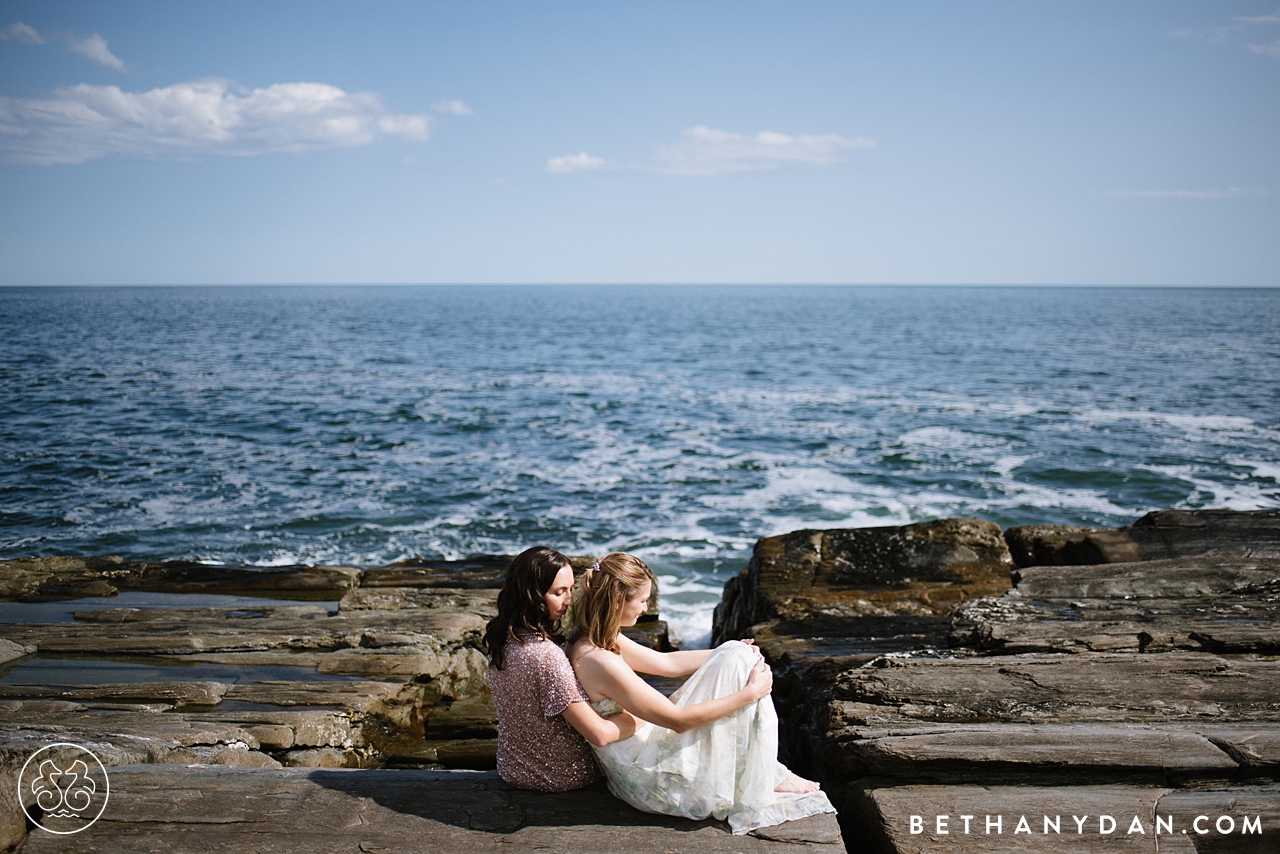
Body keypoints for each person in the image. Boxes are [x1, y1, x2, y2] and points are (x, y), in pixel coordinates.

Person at [568, 552, 835, 835]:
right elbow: (677, 720)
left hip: (644, 751)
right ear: (619, 601)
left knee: (737, 655)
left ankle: (767, 770)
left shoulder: (600, 638)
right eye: (643, 600)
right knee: (738, 664)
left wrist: (729, 649)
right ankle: (766, 773)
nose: (646, 608)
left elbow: (666, 664)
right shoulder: (598, 659)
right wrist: (750, 693)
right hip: (649, 779)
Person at [483, 546, 639, 792]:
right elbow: (599, 734)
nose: (569, 600)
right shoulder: (547, 656)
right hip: (563, 777)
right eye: (558, 592)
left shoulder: (500, 641)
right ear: (531, 595)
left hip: (512, 769)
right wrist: (639, 718)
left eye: (570, 590)